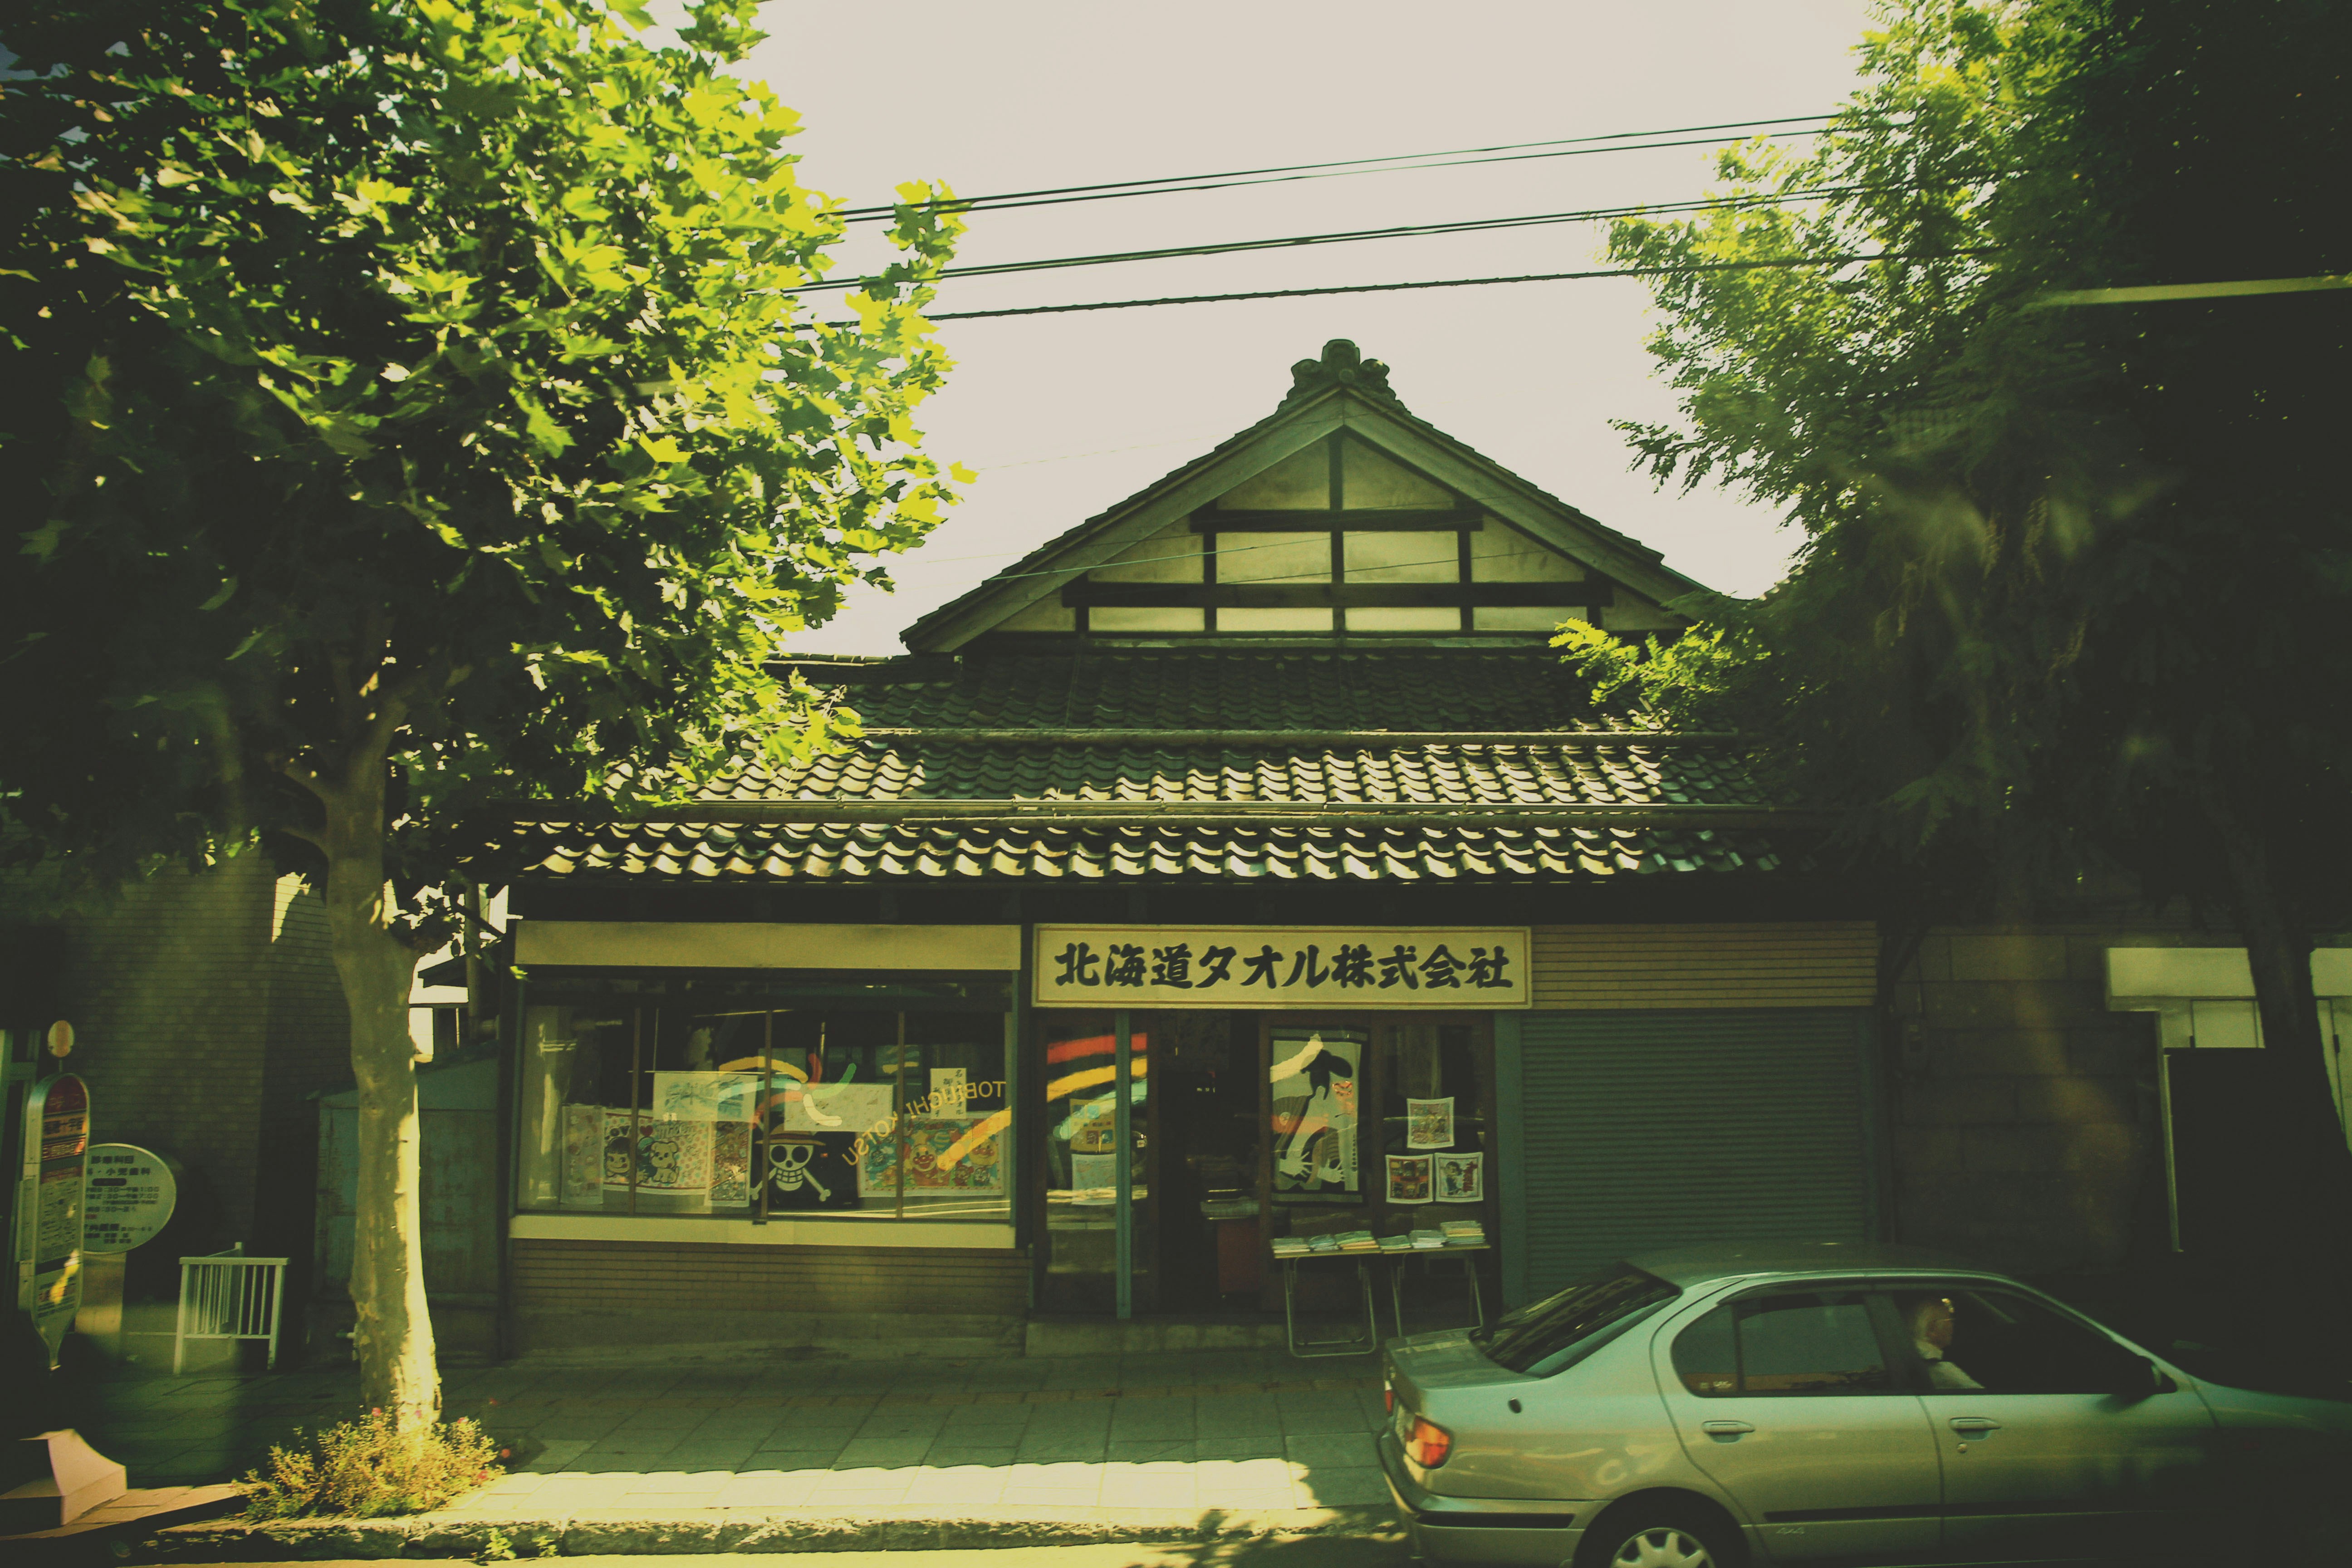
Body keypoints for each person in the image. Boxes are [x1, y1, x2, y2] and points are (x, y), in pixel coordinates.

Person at [1906, 1295, 1985, 1390]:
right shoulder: (1940, 1370)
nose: (1953, 1325)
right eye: (1950, 1320)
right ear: (1932, 1329)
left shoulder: (1910, 1354)